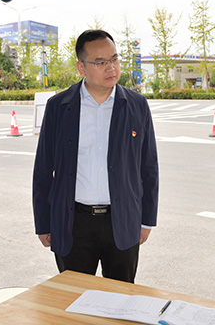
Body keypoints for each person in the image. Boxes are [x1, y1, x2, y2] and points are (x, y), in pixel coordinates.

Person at [33, 29, 159, 283]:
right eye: (100, 62)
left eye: (114, 59)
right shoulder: (59, 107)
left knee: (121, 301)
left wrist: (147, 219)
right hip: (73, 223)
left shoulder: (136, 105)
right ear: (81, 67)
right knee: (75, 302)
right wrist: (44, 223)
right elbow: (43, 169)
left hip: (122, 220)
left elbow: (149, 168)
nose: (110, 67)